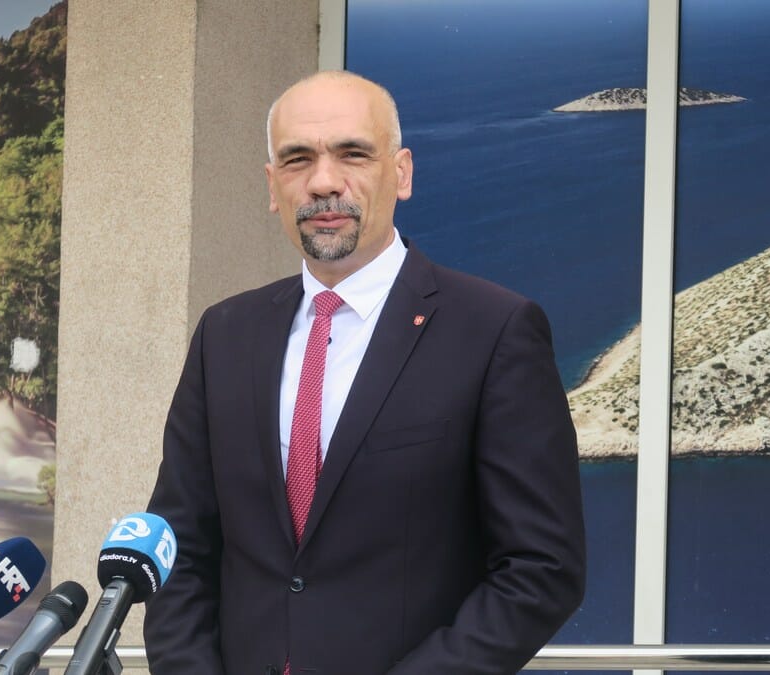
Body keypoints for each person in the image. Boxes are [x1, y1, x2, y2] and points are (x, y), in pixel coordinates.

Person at [143, 70, 585, 675]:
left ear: (401, 173)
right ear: (273, 186)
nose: (324, 182)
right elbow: (178, 547)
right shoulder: (224, 334)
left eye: (352, 154)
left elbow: (542, 568)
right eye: (297, 159)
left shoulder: (494, 331)